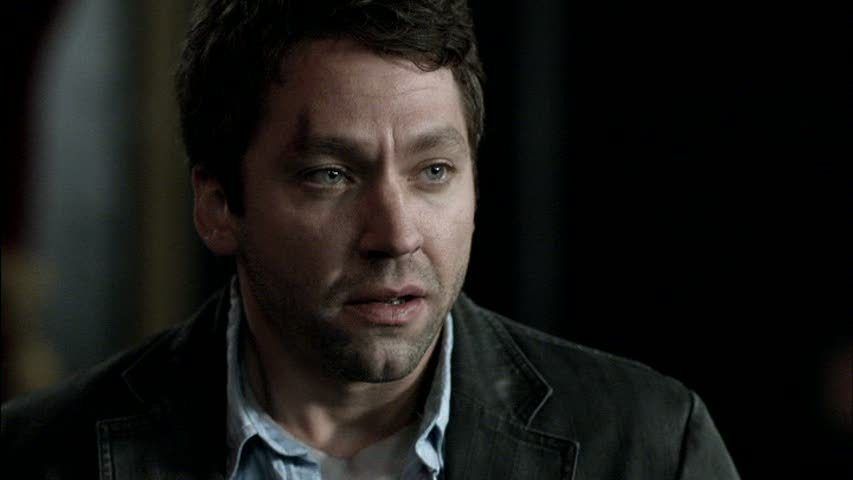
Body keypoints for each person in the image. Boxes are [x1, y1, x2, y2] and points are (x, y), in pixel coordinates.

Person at [1, 1, 740, 478]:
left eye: (434, 171)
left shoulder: (648, 446)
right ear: (219, 206)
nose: (395, 235)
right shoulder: (36, 456)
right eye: (330, 175)